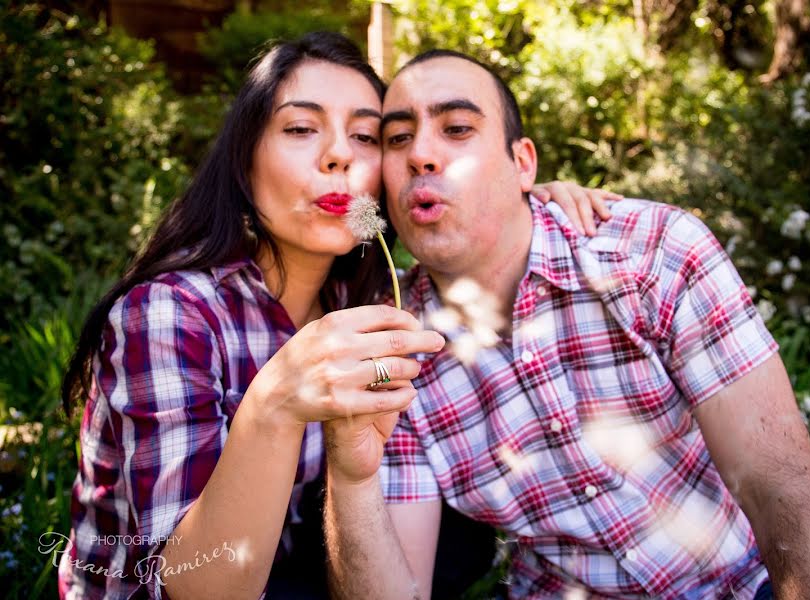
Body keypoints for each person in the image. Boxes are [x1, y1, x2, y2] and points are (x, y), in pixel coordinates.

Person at [56, 33, 613, 599]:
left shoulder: (370, 301)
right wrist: (274, 406)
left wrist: (519, 197)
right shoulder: (172, 314)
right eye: (301, 129)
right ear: (245, 161)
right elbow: (197, 588)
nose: (339, 155)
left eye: (368, 137)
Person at [322, 50, 810, 599]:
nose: (420, 154)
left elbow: (784, 495)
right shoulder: (395, 351)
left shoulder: (654, 255)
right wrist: (350, 478)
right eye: (397, 139)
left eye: (458, 128)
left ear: (524, 165)